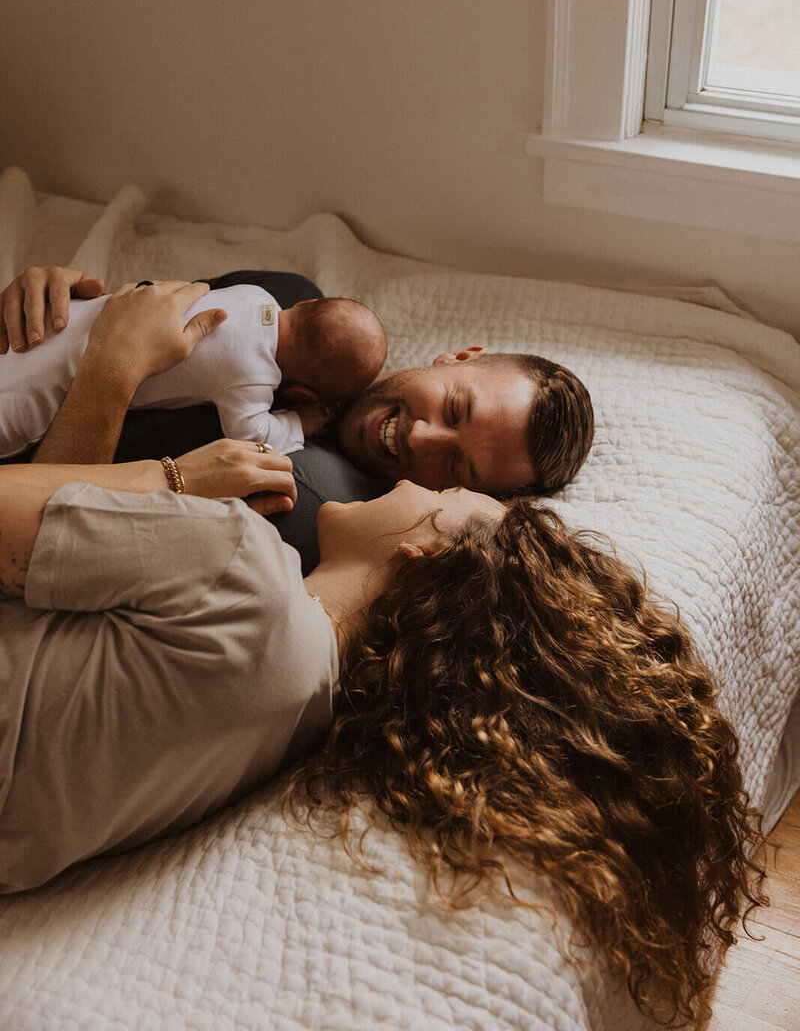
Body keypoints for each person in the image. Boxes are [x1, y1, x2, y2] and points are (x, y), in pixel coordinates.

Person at [0, 444, 764, 1025]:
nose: (412, 482)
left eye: (444, 491)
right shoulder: (309, 718)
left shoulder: (239, 566)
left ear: (425, 556)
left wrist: (173, 478)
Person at [0, 267, 596, 573]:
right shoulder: (292, 302)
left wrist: (109, 372)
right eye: (453, 407)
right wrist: (52, 304)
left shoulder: (309, 512)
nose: (420, 436)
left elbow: (43, 547)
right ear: (459, 356)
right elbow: (138, 312)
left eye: (455, 465)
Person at [0, 279, 387, 460]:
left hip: (61, 322)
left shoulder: (258, 293)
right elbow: (249, 433)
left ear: (301, 305)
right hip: (46, 392)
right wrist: (298, 423)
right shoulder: (254, 377)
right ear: (302, 392)